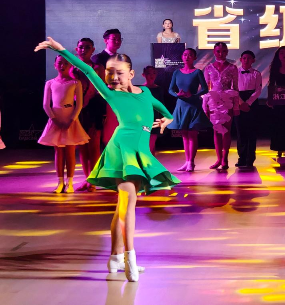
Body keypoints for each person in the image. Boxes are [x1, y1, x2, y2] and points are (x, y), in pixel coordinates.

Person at [36, 36, 180, 283]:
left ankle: (115, 256)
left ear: (131, 74)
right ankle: (130, 257)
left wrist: (166, 120)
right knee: (129, 204)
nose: (113, 77)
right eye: (110, 73)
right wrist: (61, 50)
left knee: (122, 207)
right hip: (122, 151)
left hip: (140, 153)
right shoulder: (110, 94)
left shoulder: (145, 93)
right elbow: (87, 70)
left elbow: (167, 111)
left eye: (119, 73)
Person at [39, 55, 90, 193]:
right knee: (58, 151)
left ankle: (70, 182)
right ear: (55, 65)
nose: (63, 66)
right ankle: (60, 182)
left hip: (70, 119)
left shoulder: (75, 83)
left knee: (70, 151)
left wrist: (71, 120)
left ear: (70, 66)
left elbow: (79, 105)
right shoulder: (50, 83)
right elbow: (46, 104)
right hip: (56, 119)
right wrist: (54, 119)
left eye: (66, 63)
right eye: (60, 63)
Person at [70, 38, 105, 192]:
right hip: (77, 108)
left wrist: (87, 99)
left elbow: (100, 87)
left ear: (93, 50)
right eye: (81, 47)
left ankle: (93, 180)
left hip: (93, 107)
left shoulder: (97, 67)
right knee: (82, 146)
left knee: (94, 145)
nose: (83, 50)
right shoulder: (72, 67)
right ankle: (87, 179)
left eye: (87, 47)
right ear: (77, 49)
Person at [168, 48, 210, 172]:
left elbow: (205, 89)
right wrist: (177, 95)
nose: (187, 57)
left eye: (190, 55)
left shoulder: (197, 72)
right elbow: (170, 89)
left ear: (195, 58)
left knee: (192, 134)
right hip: (181, 104)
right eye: (185, 54)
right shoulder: (176, 72)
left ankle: (191, 161)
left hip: (193, 105)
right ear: (182, 56)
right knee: (184, 135)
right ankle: (186, 161)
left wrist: (193, 95)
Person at [203, 42, 239, 170]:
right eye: (218, 51)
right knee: (216, 130)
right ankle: (218, 159)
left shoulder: (232, 68)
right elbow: (206, 88)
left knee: (227, 130)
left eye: (223, 51)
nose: (221, 53)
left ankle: (225, 158)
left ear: (227, 52)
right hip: (213, 101)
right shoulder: (208, 68)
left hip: (227, 100)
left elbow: (235, 88)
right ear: (214, 52)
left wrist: (236, 106)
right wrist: (205, 105)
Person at [92, 29, 124, 145]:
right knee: (103, 133)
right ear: (106, 40)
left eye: (119, 39)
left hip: (119, 98)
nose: (117, 41)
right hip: (103, 99)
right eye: (114, 39)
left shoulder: (122, 58)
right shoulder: (98, 58)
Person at [236, 50, 263, 167]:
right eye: (244, 58)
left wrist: (248, 103)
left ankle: (250, 158)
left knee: (251, 131)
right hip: (238, 101)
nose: (246, 60)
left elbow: (258, 90)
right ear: (241, 59)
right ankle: (241, 157)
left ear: (253, 60)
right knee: (240, 131)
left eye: (249, 58)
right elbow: (233, 89)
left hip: (252, 103)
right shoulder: (235, 72)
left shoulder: (256, 74)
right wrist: (241, 103)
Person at [141, 66, 165, 153]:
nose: (151, 75)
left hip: (155, 119)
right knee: (147, 144)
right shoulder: (140, 89)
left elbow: (161, 105)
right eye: (149, 73)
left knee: (151, 143)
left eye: (154, 73)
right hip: (144, 118)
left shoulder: (158, 89)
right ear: (143, 75)